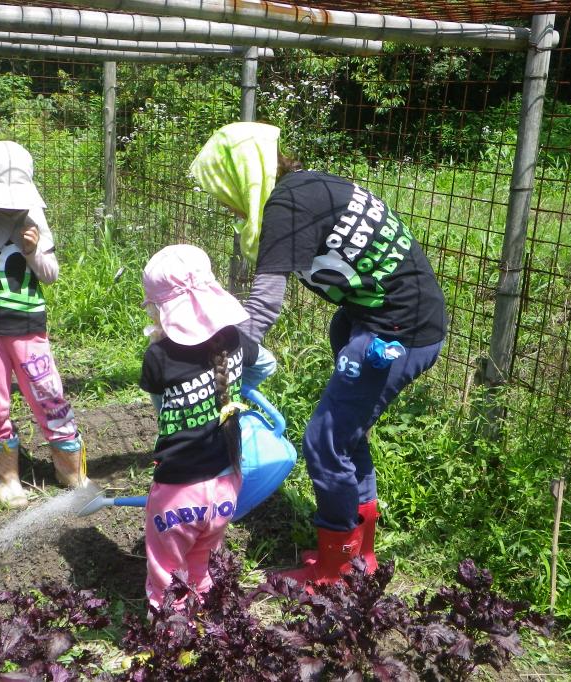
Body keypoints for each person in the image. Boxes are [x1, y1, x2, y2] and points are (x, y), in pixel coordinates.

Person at [190, 122, 447, 586]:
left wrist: (224, 364)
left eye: (221, 191)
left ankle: (335, 570)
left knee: (324, 443)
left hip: (397, 331)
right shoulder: (310, 185)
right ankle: (358, 554)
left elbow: (265, 302)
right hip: (374, 317)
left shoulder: (286, 205)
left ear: (239, 176)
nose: (223, 204)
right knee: (346, 434)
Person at [0, 141, 84, 509]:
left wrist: (33, 250)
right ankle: (6, 476)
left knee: (49, 396)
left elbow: (50, 276)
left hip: (29, 330)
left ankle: (69, 469)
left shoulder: (33, 218)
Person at [139, 244, 261, 608]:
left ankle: (171, 636)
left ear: (161, 310)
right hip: (227, 486)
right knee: (200, 563)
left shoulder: (158, 357)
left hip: (178, 493)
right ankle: (206, 619)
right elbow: (265, 365)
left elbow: (163, 411)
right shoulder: (237, 340)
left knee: (165, 575)